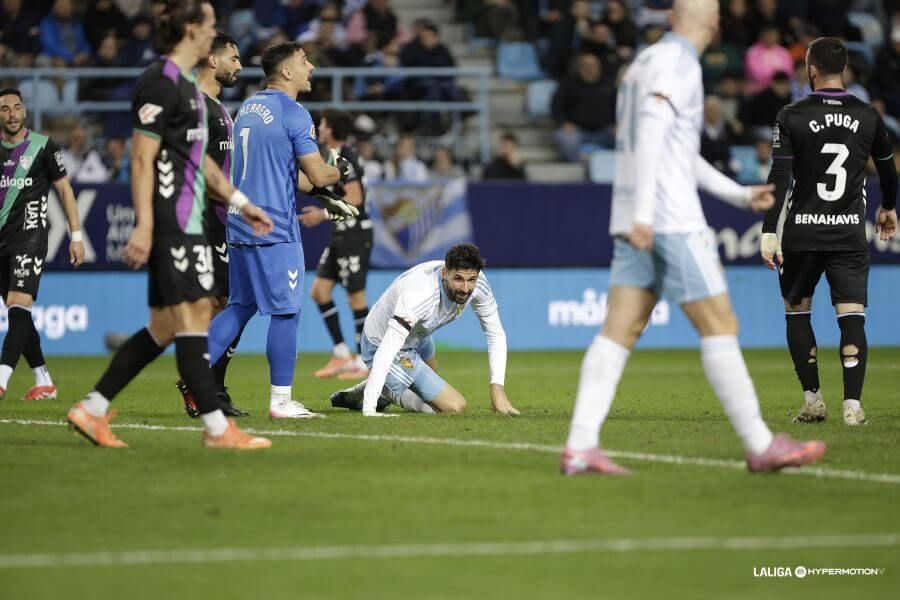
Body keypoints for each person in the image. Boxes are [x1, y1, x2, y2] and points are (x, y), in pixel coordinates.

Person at [561, 0, 826, 477]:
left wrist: (737, 194)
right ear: (716, 23)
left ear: (672, 17)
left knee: (620, 330)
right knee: (719, 322)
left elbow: (674, 150)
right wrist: (648, 215)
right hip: (669, 220)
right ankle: (760, 444)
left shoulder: (643, 62)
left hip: (635, 215)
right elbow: (653, 131)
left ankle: (580, 446)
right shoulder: (679, 64)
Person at [66, 0, 274, 450]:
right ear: (192, 29)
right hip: (172, 222)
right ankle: (217, 429)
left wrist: (242, 203)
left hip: (191, 220)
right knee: (194, 316)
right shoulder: (159, 82)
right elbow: (142, 158)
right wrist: (144, 226)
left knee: (165, 327)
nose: (216, 32)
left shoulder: (191, 92)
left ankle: (93, 409)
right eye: (211, 24)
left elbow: (202, 165)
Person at [198, 41, 357, 419]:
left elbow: (286, 174)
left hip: (238, 222)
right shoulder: (295, 113)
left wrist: (323, 197)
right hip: (274, 228)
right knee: (286, 312)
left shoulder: (246, 109)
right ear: (286, 71)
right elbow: (317, 173)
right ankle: (281, 402)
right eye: (304, 61)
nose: (311, 67)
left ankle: (193, 366)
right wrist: (340, 171)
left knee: (241, 306)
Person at [760, 37, 898, 426]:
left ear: (811, 69)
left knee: (797, 312)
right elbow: (888, 169)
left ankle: (813, 401)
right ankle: (853, 407)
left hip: (802, 233)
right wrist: (888, 207)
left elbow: (780, 175)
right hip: (848, 233)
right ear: (845, 69)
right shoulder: (868, 115)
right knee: (852, 315)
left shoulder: (791, 114)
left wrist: (769, 230)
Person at [330, 243, 519, 417]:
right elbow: (387, 348)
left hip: (418, 335)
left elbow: (495, 333)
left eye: (471, 280)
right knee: (454, 406)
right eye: (458, 279)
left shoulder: (478, 284)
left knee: (431, 373)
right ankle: (382, 391)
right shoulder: (420, 293)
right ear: (445, 273)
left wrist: (498, 391)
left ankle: (382, 384)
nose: (465, 288)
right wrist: (369, 409)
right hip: (381, 341)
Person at [174, 29, 248, 419]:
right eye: (234, 58)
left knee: (225, 304)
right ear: (213, 59)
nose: (240, 66)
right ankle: (203, 386)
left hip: (220, 219)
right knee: (227, 304)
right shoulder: (197, 107)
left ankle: (209, 386)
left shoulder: (219, 108)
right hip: (203, 219)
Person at [0, 88, 85, 402]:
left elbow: (64, 191)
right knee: (18, 313)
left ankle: (1, 379)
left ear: (24, 111)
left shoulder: (43, 146)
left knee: (18, 303)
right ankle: (43, 379)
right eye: (4, 109)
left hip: (30, 238)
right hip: (2, 243)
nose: (11, 114)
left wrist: (76, 236)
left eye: (16, 107)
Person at [300, 109, 373, 381]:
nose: (319, 128)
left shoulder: (344, 156)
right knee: (320, 291)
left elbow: (355, 198)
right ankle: (342, 353)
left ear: (330, 129)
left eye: (322, 124)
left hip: (355, 233)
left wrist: (322, 214)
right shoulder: (332, 155)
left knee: (356, 296)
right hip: (341, 232)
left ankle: (365, 360)